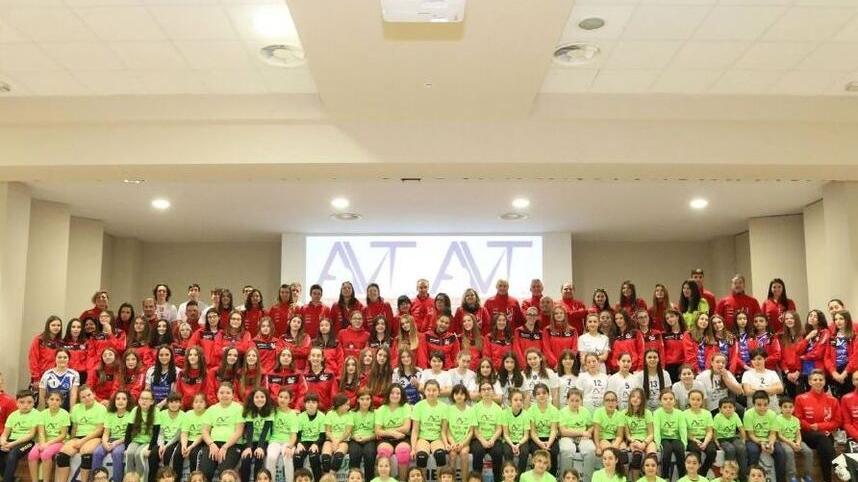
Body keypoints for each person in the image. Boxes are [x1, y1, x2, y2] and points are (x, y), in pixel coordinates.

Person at [794, 369, 839, 482]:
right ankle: (838, 467)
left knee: (824, 445)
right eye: (815, 379)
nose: (818, 382)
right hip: (807, 434)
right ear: (809, 382)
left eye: (821, 379)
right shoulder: (800, 398)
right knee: (823, 440)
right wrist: (810, 427)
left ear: (824, 382)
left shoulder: (833, 400)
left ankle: (827, 479)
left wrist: (819, 426)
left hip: (825, 435)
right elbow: (798, 419)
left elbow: (837, 422)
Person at [54, 386, 106, 482]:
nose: (87, 398)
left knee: (86, 452)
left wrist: (82, 441)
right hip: (78, 437)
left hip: (94, 436)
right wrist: (71, 440)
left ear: (94, 394)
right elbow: (74, 428)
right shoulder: (76, 408)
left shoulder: (101, 408)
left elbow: (99, 430)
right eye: (83, 397)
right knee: (62, 455)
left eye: (89, 395)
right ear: (80, 399)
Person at [200, 383, 244, 482]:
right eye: (222, 392)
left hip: (232, 445)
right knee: (205, 472)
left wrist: (225, 446)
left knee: (224, 473)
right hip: (213, 445)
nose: (225, 395)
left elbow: (239, 431)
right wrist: (211, 444)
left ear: (233, 395)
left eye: (228, 393)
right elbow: (205, 431)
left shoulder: (239, 408)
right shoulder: (211, 409)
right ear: (217, 394)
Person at [743, 390, 785, 482]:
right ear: (753, 404)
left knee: (781, 453)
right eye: (759, 405)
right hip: (753, 440)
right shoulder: (748, 414)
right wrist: (761, 442)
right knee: (753, 451)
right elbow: (750, 434)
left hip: (768, 439)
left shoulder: (772, 414)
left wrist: (771, 444)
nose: (762, 408)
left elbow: (773, 434)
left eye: (765, 405)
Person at [28, 391, 69, 482]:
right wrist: (42, 443)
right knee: (32, 455)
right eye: (52, 399)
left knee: (46, 454)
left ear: (61, 402)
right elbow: (41, 432)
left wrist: (48, 444)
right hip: (44, 441)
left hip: (59, 442)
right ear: (47, 400)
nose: (54, 402)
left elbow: (63, 435)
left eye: (57, 400)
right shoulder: (42, 414)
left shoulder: (64, 414)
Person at [91, 390, 132, 482]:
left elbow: (129, 435)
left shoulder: (131, 414)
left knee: (117, 453)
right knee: (97, 452)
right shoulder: (110, 414)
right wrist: (105, 443)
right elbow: (106, 433)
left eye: (124, 399)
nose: (120, 401)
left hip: (123, 441)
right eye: (118, 399)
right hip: (110, 439)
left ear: (128, 401)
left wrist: (115, 443)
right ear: (114, 401)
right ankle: (94, 480)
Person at [410, 379, 448, 477]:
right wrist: (413, 448)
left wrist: (446, 444)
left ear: (439, 392)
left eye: (434, 390)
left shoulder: (444, 407)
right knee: (421, 457)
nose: (431, 393)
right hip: (422, 438)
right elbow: (415, 430)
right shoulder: (418, 406)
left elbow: (443, 430)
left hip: (437, 438)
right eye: (428, 390)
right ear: (424, 391)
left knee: (440, 456)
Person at [0, 390, 39, 482]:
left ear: (34, 403)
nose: (25, 405)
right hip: (11, 440)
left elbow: (31, 435)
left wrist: (12, 444)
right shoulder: (13, 415)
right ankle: (11, 478)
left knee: (13, 454)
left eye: (29, 402)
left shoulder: (36, 414)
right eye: (22, 402)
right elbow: (5, 434)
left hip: (28, 442)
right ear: (17, 403)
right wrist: (3, 442)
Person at [470, 381, 504, 481]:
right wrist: (483, 441)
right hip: (479, 439)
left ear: (493, 391)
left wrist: (492, 440)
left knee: (498, 453)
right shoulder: (475, 408)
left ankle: (497, 479)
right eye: (483, 389)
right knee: (478, 451)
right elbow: (475, 430)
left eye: (489, 389)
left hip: (494, 439)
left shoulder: (498, 409)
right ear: (480, 393)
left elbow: (499, 429)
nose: (486, 391)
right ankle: (477, 479)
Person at [239, 389, 273, 482]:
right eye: (257, 397)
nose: (259, 399)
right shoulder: (250, 411)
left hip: (263, 441)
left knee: (259, 457)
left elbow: (265, 431)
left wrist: (260, 447)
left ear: (266, 399)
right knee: (246, 459)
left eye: (262, 397)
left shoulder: (270, 411)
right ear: (252, 399)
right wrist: (249, 447)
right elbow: (250, 430)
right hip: (250, 441)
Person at [776, 397, 812, 482]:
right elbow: (779, 436)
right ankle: (791, 477)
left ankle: (806, 476)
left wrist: (798, 443)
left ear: (793, 408)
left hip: (795, 441)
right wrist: (791, 444)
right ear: (780, 408)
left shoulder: (796, 419)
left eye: (790, 407)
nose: (788, 409)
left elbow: (798, 434)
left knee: (808, 452)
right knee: (789, 452)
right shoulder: (777, 419)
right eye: (785, 407)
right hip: (783, 442)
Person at [654, 390, 686, 480]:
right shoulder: (657, 413)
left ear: (675, 401)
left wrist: (684, 443)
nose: (668, 401)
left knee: (679, 449)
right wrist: (657, 444)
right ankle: (665, 477)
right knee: (667, 450)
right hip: (664, 438)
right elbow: (656, 429)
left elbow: (683, 429)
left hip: (675, 438)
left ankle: (682, 477)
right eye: (665, 399)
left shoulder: (680, 413)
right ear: (660, 401)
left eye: (671, 399)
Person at [712, 398, 747, 481]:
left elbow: (741, 428)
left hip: (732, 437)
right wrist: (716, 443)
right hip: (721, 439)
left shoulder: (735, 415)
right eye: (724, 407)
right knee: (730, 449)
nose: (728, 409)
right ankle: (728, 476)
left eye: (730, 407)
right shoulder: (717, 417)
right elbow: (714, 431)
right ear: (720, 409)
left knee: (741, 448)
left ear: (734, 408)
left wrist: (743, 440)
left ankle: (742, 477)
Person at [294, 392, 326, 480]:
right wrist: (299, 444)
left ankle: (318, 479)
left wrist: (316, 444)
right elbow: (298, 434)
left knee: (314, 457)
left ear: (317, 404)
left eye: (313, 402)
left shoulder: (322, 416)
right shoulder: (300, 416)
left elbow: (322, 435)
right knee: (297, 457)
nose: (311, 405)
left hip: (316, 442)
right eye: (308, 402)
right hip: (304, 442)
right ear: (304, 404)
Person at [444, 384, 473, 480]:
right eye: (456, 394)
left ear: (466, 395)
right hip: (452, 442)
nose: (459, 396)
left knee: (464, 454)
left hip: (465, 442)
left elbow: (471, 431)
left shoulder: (471, 410)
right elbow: (447, 430)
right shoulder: (449, 409)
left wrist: (462, 444)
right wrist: (453, 443)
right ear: (453, 396)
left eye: (461, 394)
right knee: (452, 455)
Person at [684, 390, 715, 478]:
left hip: (705, 439)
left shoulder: (707, 413)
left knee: (712, 452)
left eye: (698, 399)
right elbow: (684, 432)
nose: (695, 402)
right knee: (696, 451)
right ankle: (693, 474)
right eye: (693, 399)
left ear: (702, 401)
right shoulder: (684, 414)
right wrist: (695, 440)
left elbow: (709, 431)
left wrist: (705, 443)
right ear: (689, 400)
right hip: (691, 439)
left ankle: (702, 473)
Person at [348, 391, 376, 481]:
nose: (365, 401)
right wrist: (354, 437)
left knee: (370, 454)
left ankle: (369, 480)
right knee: (354, 454)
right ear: (358, 400)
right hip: (355, 439)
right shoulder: (351, 413)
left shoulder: (375, 413)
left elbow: (378, 432)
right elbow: (348, 432)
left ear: (371, 400)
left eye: (368, 399)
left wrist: (368, 438)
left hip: (370, 439)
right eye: (362, 399)